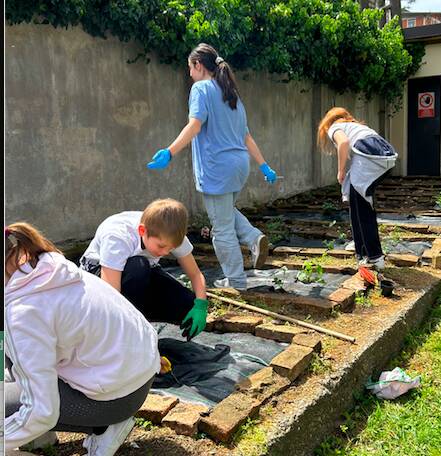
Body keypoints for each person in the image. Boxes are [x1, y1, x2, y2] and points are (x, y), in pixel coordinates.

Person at [5, 223, 161, 455]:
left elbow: (41, 411)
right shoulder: (42, 267)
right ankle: (39, 437)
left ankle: (104, 427)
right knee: (12, 365)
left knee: (8, 404)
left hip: (115, 399)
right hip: (138, 377)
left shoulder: (22, 312)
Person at [147, 43, 278, 290]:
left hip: (217, 167)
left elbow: (195, 125)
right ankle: (253, 237)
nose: (189, 74)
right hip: (240, 166)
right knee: (225, 211)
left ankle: (237, 281)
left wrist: (169, 152)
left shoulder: (201, 88)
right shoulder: (232, 95)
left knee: (222, 228)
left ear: (198, 65)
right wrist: (264, 167)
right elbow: (246, 138)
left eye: (190, 68)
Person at [80, 198, 208, 339]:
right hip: (100, 281)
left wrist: (201, 306)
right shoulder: (118, 237)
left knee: (188, 303)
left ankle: (139, 316)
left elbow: (195, 274)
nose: (166, 253)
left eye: (171, 248)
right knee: (139, 266)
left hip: (139, 277)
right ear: (142, 231)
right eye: (161, 246)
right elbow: (111, 296)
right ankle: (127, 330)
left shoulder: (172, 235)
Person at [317, 107, 397, 270]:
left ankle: (374, 257)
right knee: (358, 202)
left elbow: (343, 143)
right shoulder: (356, 126)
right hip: (386, 159)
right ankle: (361, 249)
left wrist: (340, 171)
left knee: (362, 208)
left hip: (370, 159)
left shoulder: (335, 127)